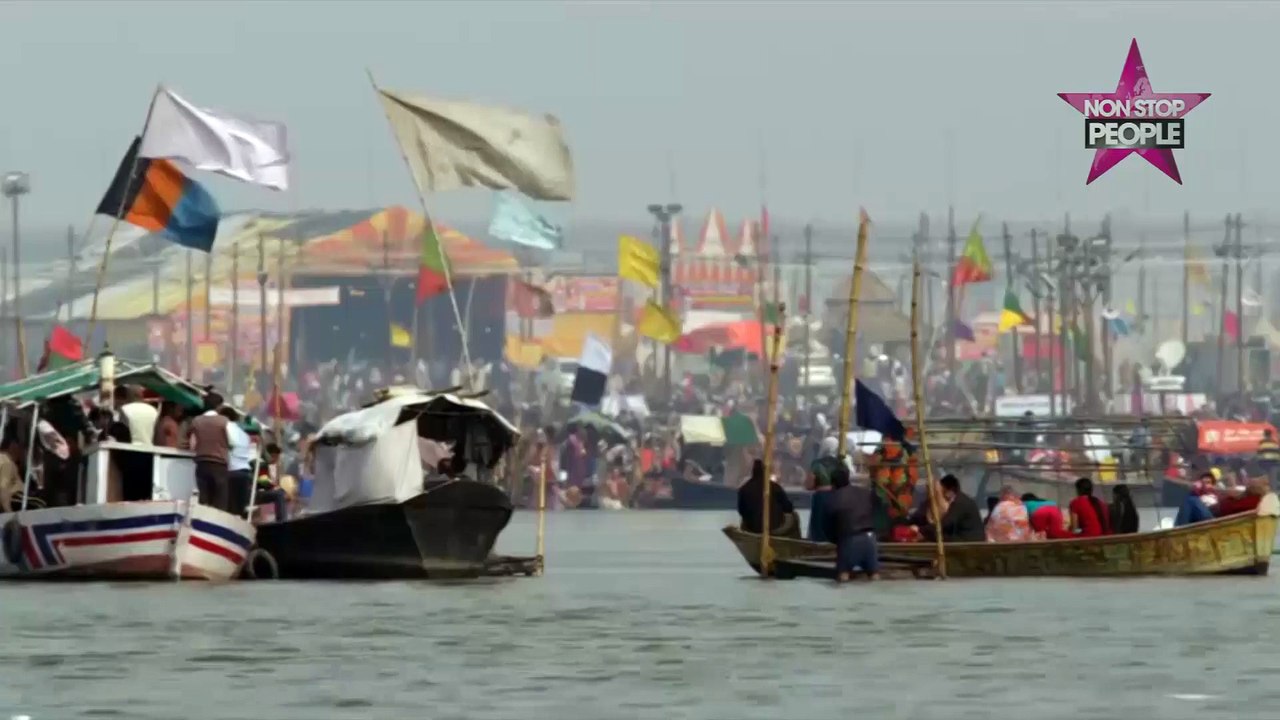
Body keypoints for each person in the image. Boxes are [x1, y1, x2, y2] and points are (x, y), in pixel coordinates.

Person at [823, 464, 878, 581]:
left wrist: (836, 541)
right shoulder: (865, 492)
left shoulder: (833, 499)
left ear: (833, 483)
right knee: (874, 575)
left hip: (849, 541)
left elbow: (827, 527)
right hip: (870, 539)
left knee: (843, 576)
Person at [188, 393, 232, 513]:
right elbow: (232, 441)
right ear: (218, 406)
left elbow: (192, 444)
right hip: (219, 464)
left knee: (204, 500)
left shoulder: (196, 421)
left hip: (201, 464)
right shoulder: (224, 421)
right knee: (220, 501)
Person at [910, 474, 984, 542]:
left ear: (950, 491)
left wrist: (921, 530)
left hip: (969, 541)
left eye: (943, 491)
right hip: (963, 538)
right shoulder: (958, 500)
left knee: (937, 537)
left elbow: (946, 522)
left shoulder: (961, 503)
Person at [737, 459, 799, 538]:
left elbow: (741, 511)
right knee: (795, 516)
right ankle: (795, 541)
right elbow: (788, 508)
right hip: (775, 527)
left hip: (752, 528)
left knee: (744, 521)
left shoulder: (744, 489)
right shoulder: (774, 487)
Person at [219, 407, 254, 517]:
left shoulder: (226, 428)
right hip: (244, 473)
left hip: (231, 471)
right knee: (238, 510)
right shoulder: (243, 434)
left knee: (227, 508)